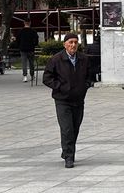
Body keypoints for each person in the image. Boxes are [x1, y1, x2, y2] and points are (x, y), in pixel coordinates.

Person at [43, 33, 96, 168]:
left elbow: (90, 75)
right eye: (70, 42)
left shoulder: (84, 59)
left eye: (75, 42)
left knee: (75, 128)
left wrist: (86, 85)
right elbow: (47, 78)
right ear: (64, 44)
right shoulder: (56, 59)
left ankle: (66, 150)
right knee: (67, 129)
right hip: (62, 100)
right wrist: (60, 87)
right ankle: (69, 156)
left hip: (78, 99)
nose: (73, 45)